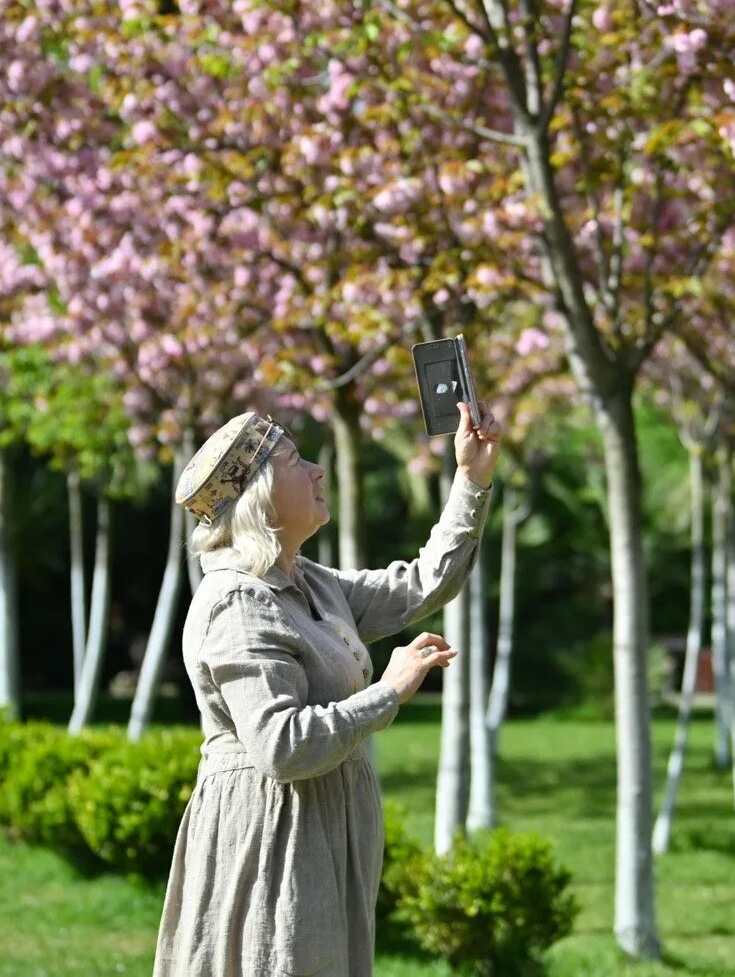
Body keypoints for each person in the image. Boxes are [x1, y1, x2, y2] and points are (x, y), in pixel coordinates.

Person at [153, 399, 501, 977]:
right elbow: (282, 747)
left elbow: (422, 584)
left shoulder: (308, 580)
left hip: (325, 824)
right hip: (272, 835)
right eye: (295, 461)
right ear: (259, 495)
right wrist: (386, 692)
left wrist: (471, 479)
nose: (317, 471)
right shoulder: (238, 602)